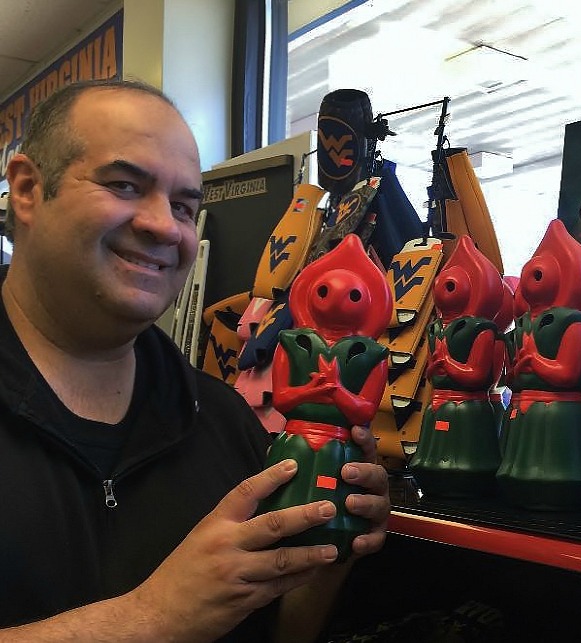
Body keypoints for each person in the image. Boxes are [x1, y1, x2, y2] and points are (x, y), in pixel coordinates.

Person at [0, 78, 390, 642]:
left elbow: (277, 633)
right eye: (124, 185)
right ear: (28, 189)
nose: (164, 226)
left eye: (183, 206)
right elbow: (165, 617)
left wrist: (327, 548)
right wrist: (150, 618)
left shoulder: (225, 424)